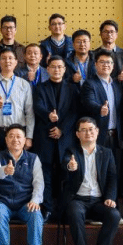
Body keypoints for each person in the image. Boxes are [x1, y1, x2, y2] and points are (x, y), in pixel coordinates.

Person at [61, 117, 120, 245]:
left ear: (97, 131)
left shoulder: (106, 153)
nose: (88, 133)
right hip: (78, 199)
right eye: (84, 130)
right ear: (77, 134)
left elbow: (112, 178)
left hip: (99, 200)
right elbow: (65, 165)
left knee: (114, 215)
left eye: (91, 129)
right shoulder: (71, 151)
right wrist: (70, 167)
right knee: (74, 212)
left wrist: (110, 197)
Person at [0, 124, 45, 245]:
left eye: (19, 136)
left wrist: (35, 200)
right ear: (6, 139)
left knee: (36, 213)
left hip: (25, 202)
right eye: (11, 136)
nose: (15, 140)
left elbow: (39, 182)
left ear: (25, 140)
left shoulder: (33, 158)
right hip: (2, 201)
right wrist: (5, 170)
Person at [33, 55, 80, 215]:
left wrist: (61, 130)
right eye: (53, 67)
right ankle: (47, 209)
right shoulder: (40, 87)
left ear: (65, 69)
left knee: (65, 174)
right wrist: (48, 116)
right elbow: (37, 106)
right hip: (45, 137)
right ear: (47, 69)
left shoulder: (72, 88)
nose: (57, 70)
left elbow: (74, 113)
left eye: (60, 67)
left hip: (65, 139)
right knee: (44, 175)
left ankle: (63, 210)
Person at [0, 48, 35, 159]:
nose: (7, 61)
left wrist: (29, 137)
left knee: (15, 164)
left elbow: (29, 112)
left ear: (16, 62)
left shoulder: (24, 84)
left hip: (17, 133)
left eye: (10, 58)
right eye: (4, 58)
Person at [81, 50, 122, 152]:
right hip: (99, 135)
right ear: (95, 64)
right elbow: (88, 102)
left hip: (116, 136)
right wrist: (100, 109)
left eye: (109, 62)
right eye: (102, 62)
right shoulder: (89, 84)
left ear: (113, 66)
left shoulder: (116, 85)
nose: (106, 65)